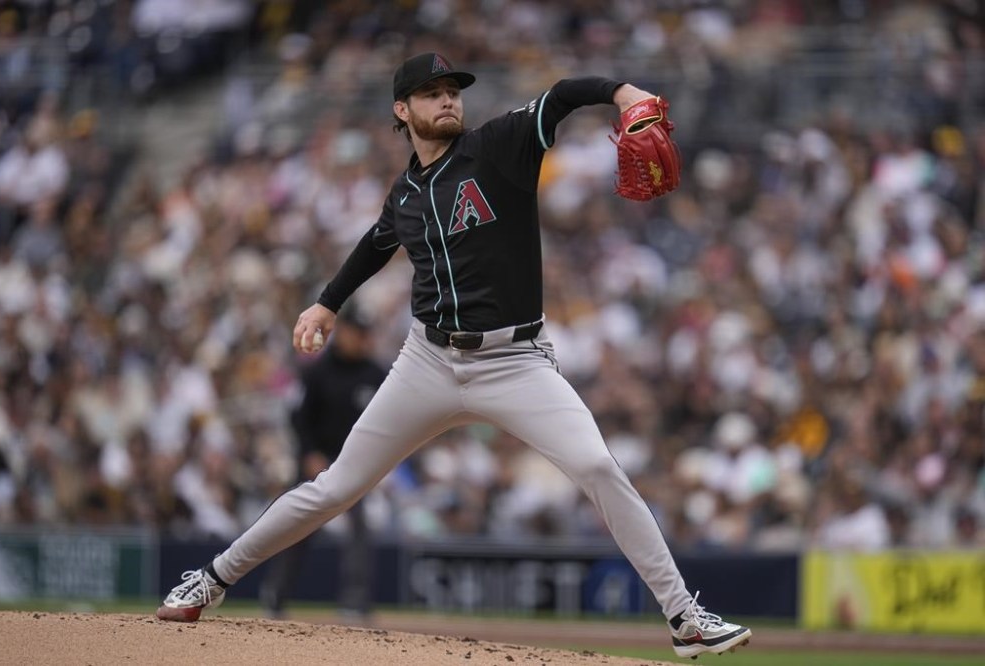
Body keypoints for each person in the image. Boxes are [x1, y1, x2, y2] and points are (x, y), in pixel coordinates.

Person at [157, 52, 752, 659]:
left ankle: (683, 617)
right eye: (431, 92)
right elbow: (375, 243)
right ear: (402, 109)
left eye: (452, 91)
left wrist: (622, 92)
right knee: (335, 488)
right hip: (428, 362)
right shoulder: (406, 192)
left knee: (599, 468)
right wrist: (326, 304)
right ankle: (212, 578)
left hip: (514, 362)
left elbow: (565, 93)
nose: (447, 100)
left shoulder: (500, 146)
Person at [259, 301, 387, 619]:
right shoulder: (317, 371)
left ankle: (356, 602)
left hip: (354, 464)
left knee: (359, 530)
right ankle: (276, 594)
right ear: (343, 332)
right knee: (295, 525)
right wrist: (309, 453)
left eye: (365, 333)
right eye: (358, 332)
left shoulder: (376, 373)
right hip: (316, 461)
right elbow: (298, 418)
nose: (362, 339)